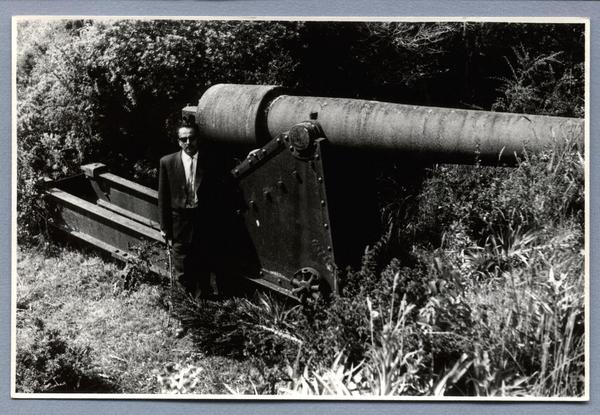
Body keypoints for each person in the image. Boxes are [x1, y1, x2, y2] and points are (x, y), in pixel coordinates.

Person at [158, 123, 221, 299]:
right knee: (183, 273)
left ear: (197, 139)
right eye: (183, 139)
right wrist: (164, 227)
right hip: (180, 226)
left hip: (204, 223)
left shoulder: (210, 161)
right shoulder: (167, 162)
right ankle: (185, 316)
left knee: (204, 270)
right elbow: (163, 197)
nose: (188, 142)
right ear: (178, 142)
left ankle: (202, 313)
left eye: (191, 138)